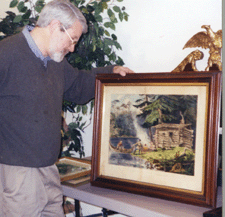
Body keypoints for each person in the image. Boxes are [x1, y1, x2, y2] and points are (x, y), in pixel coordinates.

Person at [0, 0, 134, 216]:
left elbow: (79, 86)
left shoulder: (56, 62)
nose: (72, 48)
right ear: (54, 26)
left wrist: (110, 73)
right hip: (17, 174)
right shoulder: (6, 54)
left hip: (49, 169)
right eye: (72, 40)